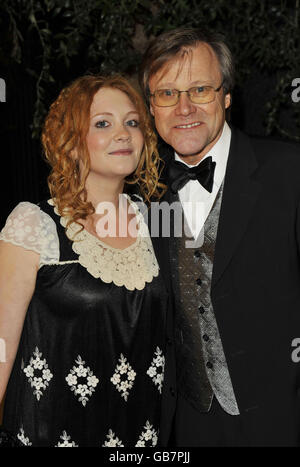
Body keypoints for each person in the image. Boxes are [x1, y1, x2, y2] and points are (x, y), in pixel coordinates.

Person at [140, 27, 300, 447]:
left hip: (285, 419)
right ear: (151, 107)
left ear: (227, 95)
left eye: (200, 89)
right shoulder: (143, 194)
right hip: (189, 426)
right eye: (167, 94)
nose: (184, 107)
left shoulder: (290, 173)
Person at [0, 74, 169, 447]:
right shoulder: (34, 224)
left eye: (133, 122)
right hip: (49, 432)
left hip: (143, 437)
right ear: (72, 144)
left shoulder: (158, 222)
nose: (123, 133)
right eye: (103, 123)